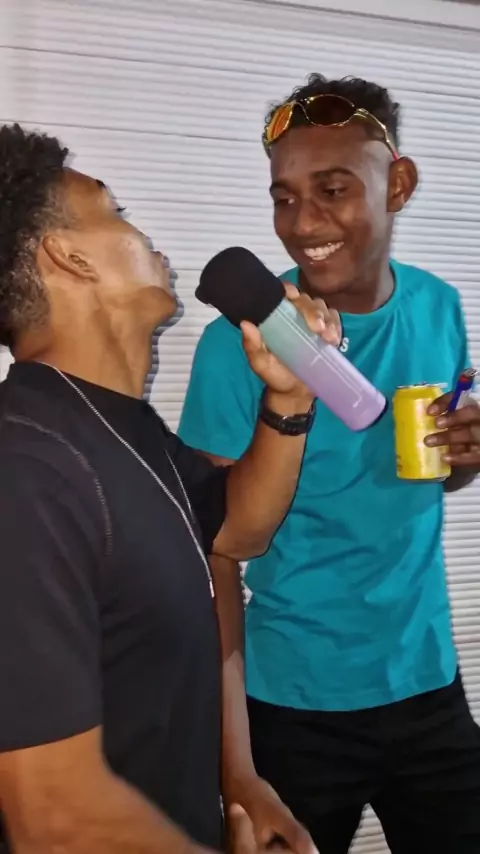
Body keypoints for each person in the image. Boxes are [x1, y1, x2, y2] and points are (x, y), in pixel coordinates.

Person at [0, 123, 339, 854]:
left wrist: (289, 397)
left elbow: (240, 531)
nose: (142, 230)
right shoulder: (27, 469)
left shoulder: (122, 428)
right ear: (68, 256)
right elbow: (54, 816)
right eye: (114, 210)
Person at [178, 75, 480, 854]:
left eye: (333, 189)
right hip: (292, 703)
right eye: (284, 197)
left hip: (427, 683)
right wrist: (236, 767)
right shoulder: (240, 343)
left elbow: (432, 472)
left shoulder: (440, 306)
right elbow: (212, 559)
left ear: (398, 185)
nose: (302, 223)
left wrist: (465, 458)